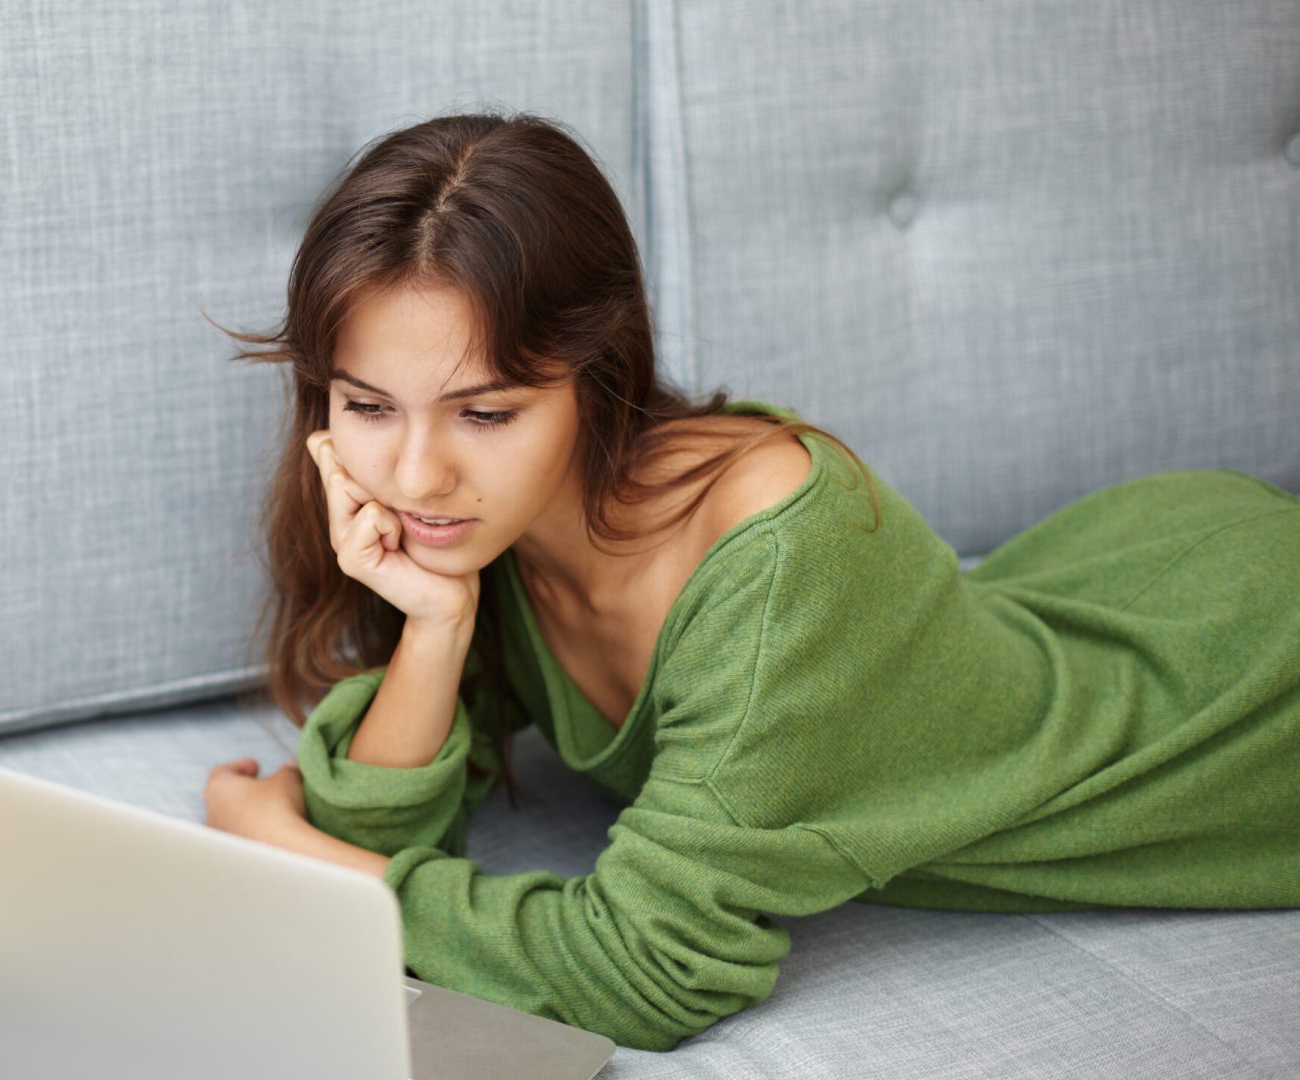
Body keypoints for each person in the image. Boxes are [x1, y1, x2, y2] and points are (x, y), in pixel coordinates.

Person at [195, 111, 1300, 1053]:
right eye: (367, 406)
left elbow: (647, 972)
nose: (413, 475)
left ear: (597, 374)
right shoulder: (497, 532)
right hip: (1109, 577)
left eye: (485, 412)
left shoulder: (777, 564)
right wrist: (434, 628)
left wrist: (296, 857)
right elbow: (379, 824)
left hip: (1238, 701)